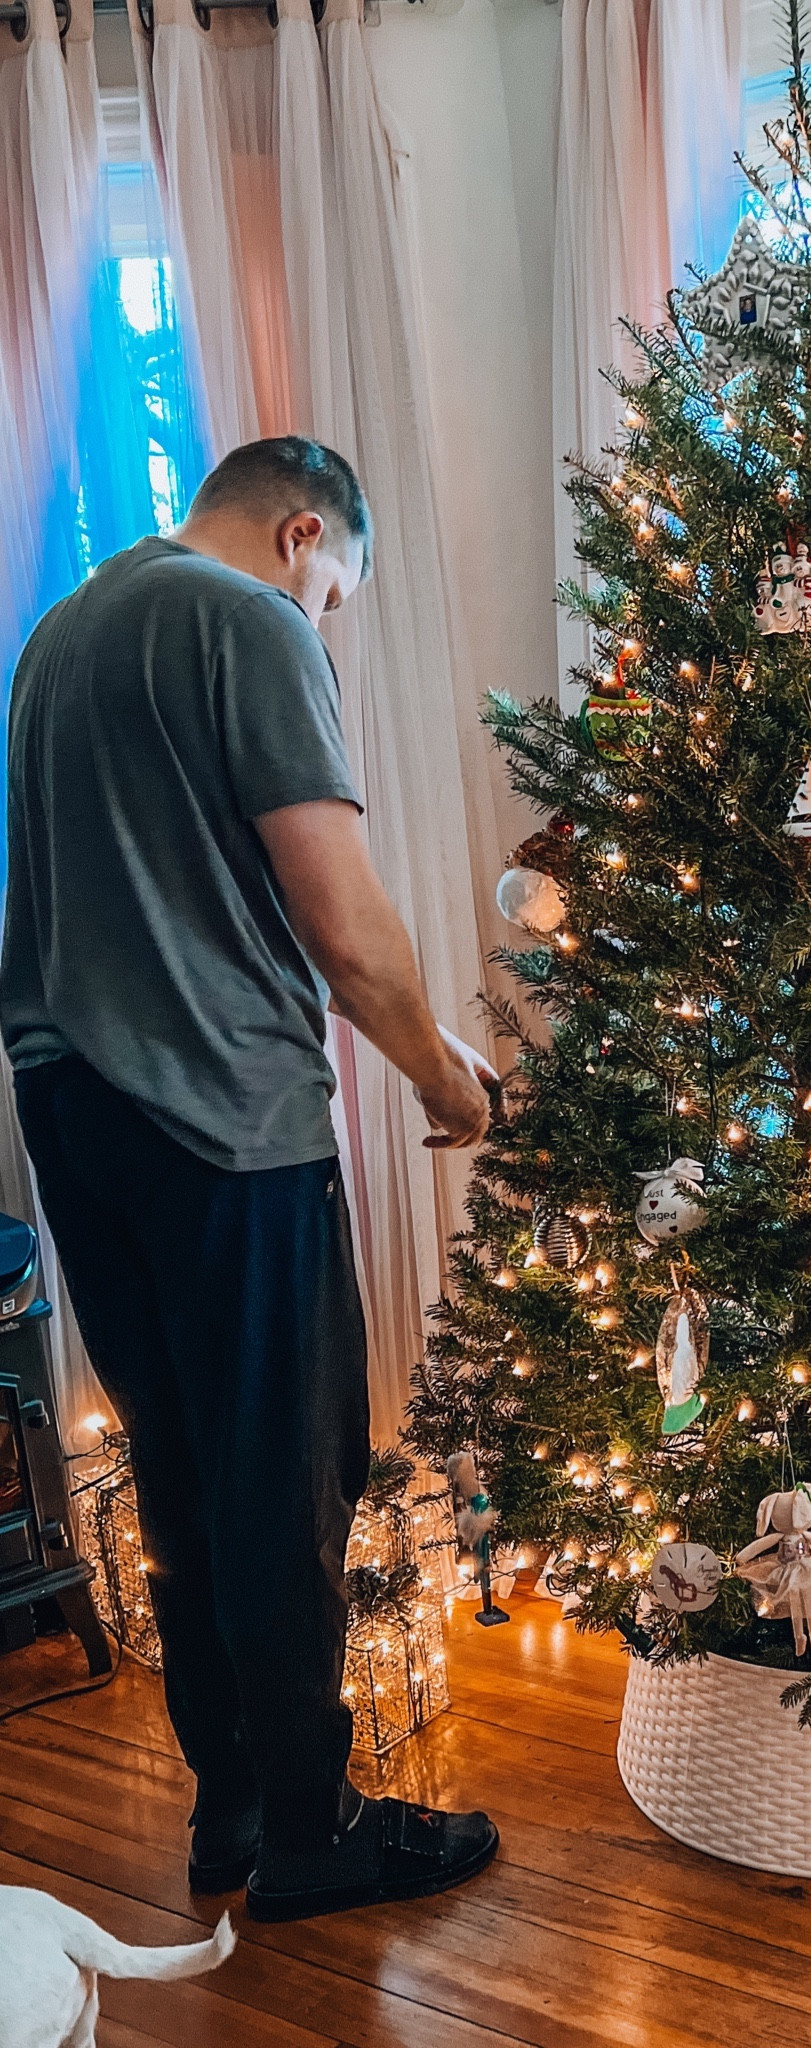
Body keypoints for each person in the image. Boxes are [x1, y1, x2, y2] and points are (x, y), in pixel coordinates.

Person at [1, 437, 500, 1923]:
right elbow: (339, 920)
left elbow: (153, 900)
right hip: (226, 1119)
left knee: (187, 1472)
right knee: (293, 1470)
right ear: (302, 536)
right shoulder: (248, 621)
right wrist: (442, 1077)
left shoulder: (62, 634)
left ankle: (230, 1808)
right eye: (336, 593)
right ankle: (315, 1828)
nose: (325, 619)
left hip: (77, 1113)